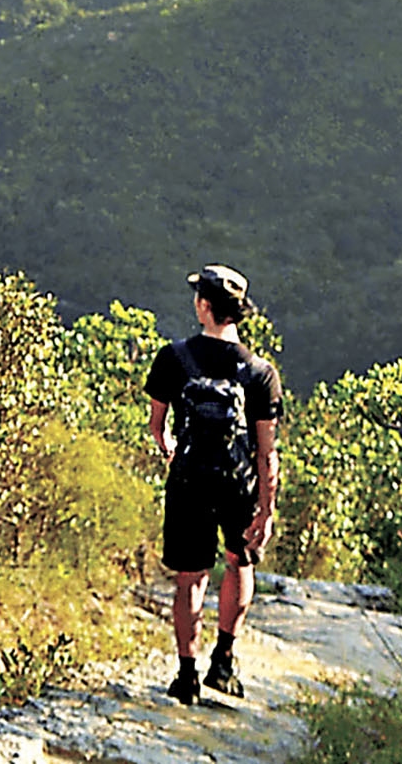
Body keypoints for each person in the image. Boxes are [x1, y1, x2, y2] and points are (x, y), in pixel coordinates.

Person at [143, 263, 281, 705]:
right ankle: (223, 662)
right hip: (238, 483)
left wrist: (171, 449)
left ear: (204, 306)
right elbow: (266, 451)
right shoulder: (260, 373)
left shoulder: (173, 358)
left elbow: (156, 425)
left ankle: (186, 675)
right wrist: (267, 508)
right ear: (238, 312)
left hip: (188, 481)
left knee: (189, 577)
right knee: (240, 563)